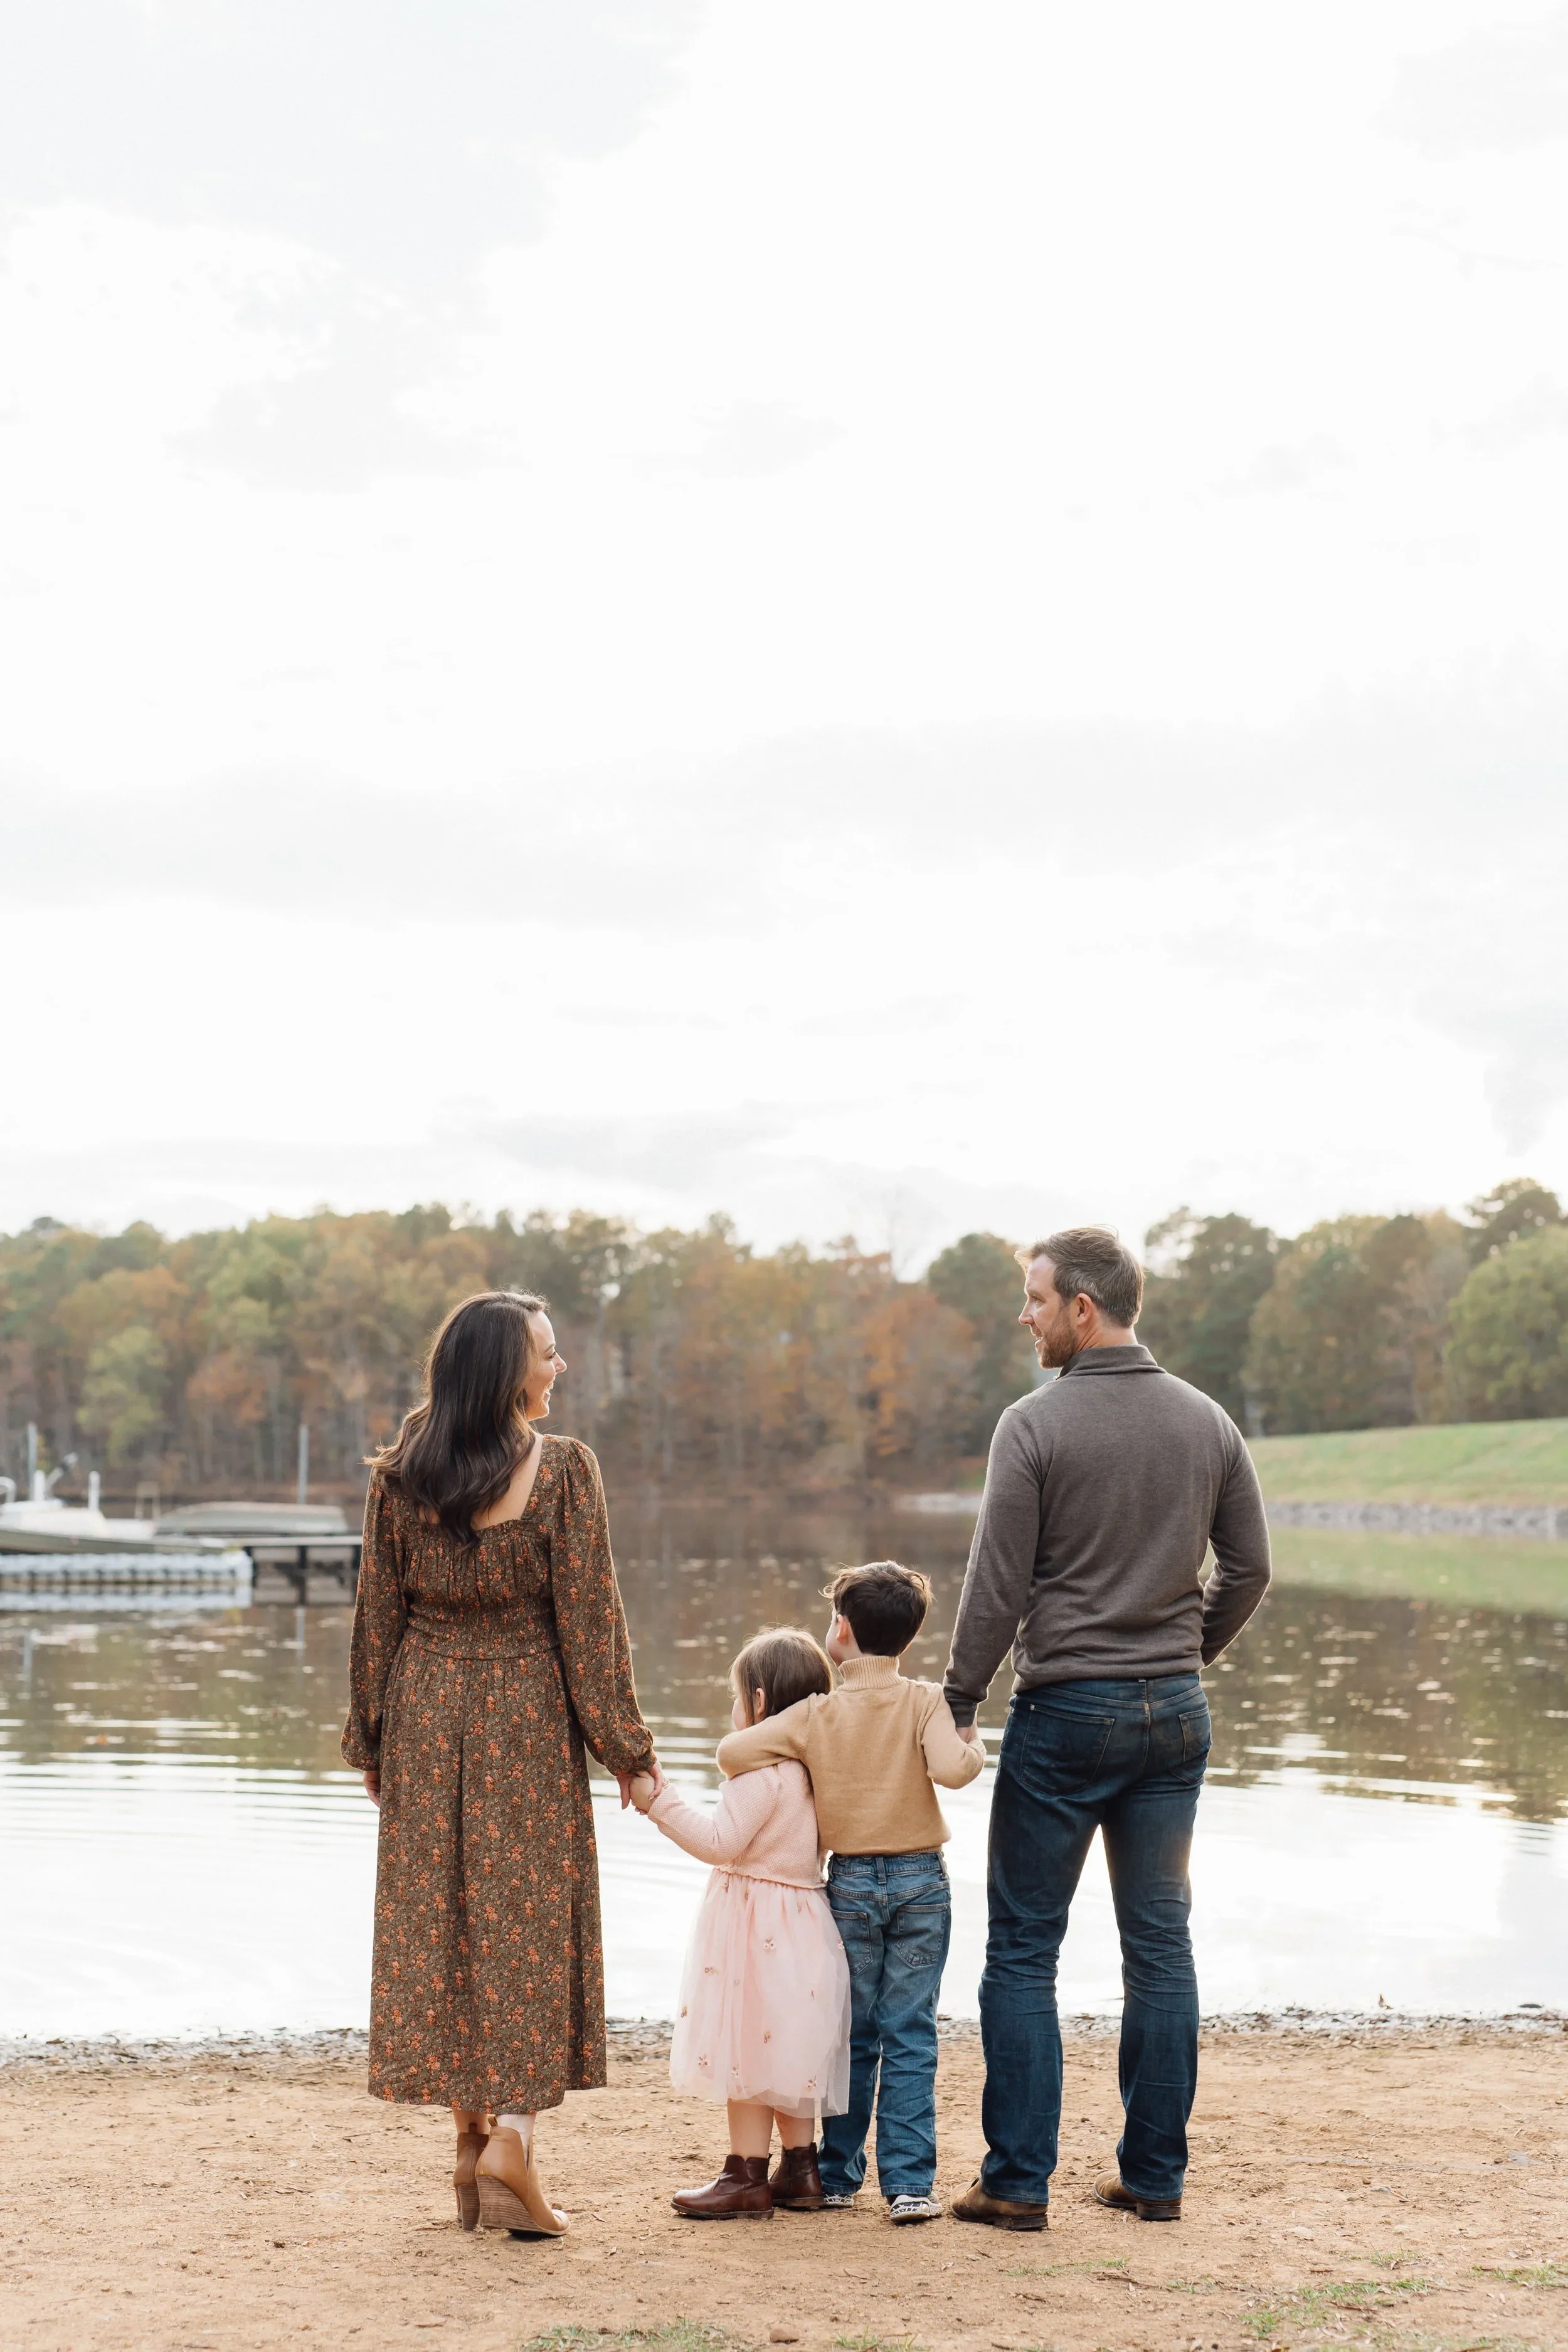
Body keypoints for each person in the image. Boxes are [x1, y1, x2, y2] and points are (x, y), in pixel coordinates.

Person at [941, 1228, 1271, 2233]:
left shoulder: (1033, 1425)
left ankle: (1016, 2181)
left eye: (1036, 1298)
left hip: (1067, 1715)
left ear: (1084, 1307)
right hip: (1173, 1715)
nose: (1026, 1315)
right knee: (1160, 1947)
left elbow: (997, 1586)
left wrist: (958, 1695)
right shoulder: (1206, 1420)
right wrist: (1184, 1655)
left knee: (1023, 1950)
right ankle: (1154, 2177)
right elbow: (1249, 1568)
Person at [342, 1288, 661, 2240]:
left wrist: (372, 1734)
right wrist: (629, 1754)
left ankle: (470, 2140)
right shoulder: (563, 1470)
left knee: (444, 1920)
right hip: (525, 1710)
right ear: (506, 1370)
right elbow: (592, 1626)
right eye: (549, 1353)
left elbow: (377, 1614)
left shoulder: (405, 1463)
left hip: (428, 1706)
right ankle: (513, 2142)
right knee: (524, 1922)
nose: (559, 1367)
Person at [715, 1562, 985, 2223]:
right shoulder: (923, 1700)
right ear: (908, 1640)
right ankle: (910, 2185)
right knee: (912, 2032)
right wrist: (971, 1741)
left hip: (854, 1884)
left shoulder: (815, 1713)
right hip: (922, 1882)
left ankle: (835, 2176)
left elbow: (731, 1752)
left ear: (840, 1630)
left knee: (851, 2034)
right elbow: (953, 1772)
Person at [628, 1626, 852, 2219]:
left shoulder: (759, 1774)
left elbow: (719, 1841)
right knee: (789, 2049)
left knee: (746, 2052)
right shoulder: (815, 1773)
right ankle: (801, 2169)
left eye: (735, 1698)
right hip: (806, 1922)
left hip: (756, 1929)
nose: (733, 1711)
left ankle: (745, 2175)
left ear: (757, 1703)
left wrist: (659, 1803)